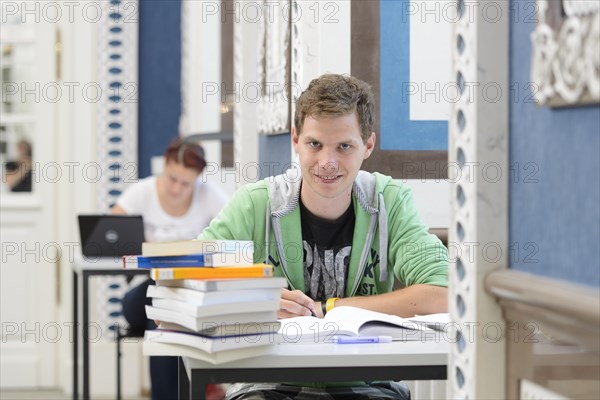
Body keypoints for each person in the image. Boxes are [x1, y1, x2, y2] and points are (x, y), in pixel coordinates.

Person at [198, 74, 449, 400]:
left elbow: (443, 293)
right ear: (295, 140)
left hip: (367, 386)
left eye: (344, 146)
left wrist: (328, 307)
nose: (327, 162)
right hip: (269, 383)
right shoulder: (256, 203)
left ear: (368, 145)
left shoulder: (389, 202)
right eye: (314, 144)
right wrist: (254, 301)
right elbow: (182, 280)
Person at [113, 138, 230, 400]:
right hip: (141, 296)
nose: (177, 189)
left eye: (185, 183)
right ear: (164, 167)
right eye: (171, 179)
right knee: (162, 296)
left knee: (168, 315)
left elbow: (235, 238)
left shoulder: (209, 195)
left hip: (187, 296)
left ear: (197, 179)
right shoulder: (142, 192)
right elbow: (112, 233)